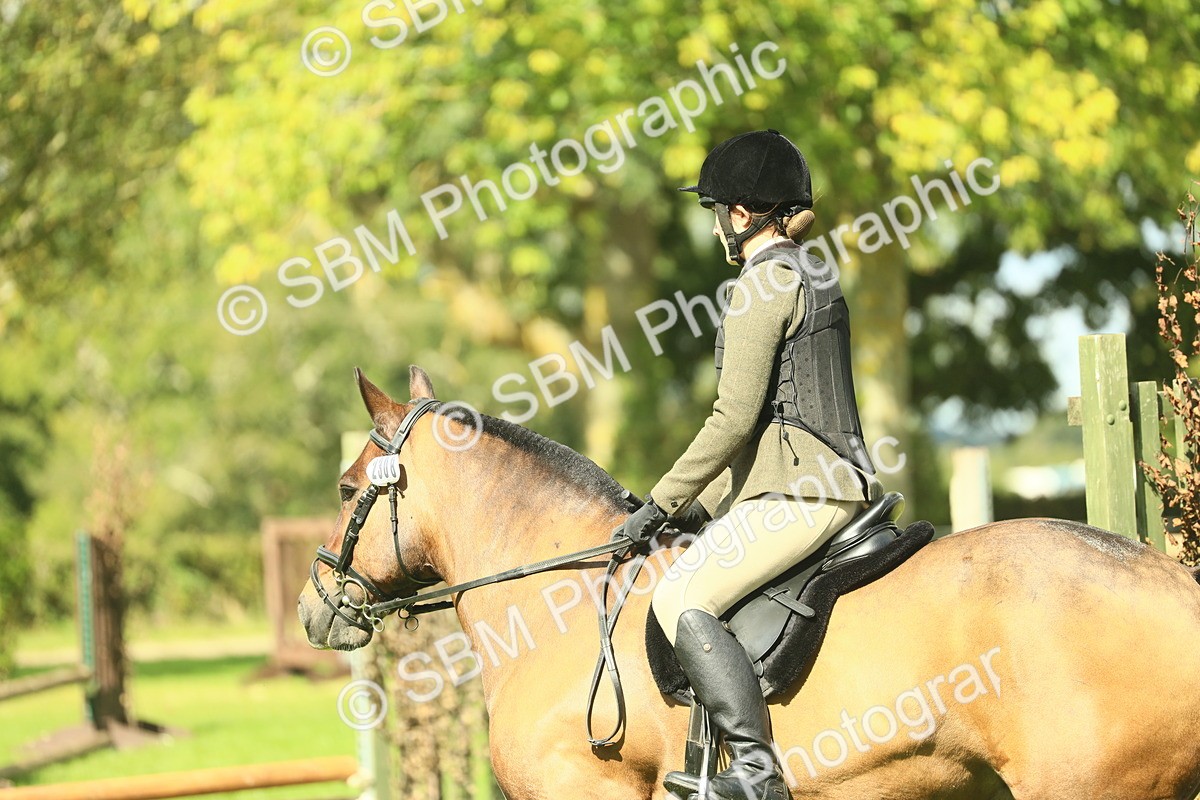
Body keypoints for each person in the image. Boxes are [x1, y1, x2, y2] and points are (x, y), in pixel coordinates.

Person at [621, 130, 882, 800]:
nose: (715, 229)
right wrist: (704, 507)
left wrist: (660, 502)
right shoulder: (814, 270)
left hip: (803, 492)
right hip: (820, 481)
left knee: (680, 596)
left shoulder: (762, 284)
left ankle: (758, 772)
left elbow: (733, 419)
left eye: (717, 213)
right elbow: (773, 420)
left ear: (741, 214)